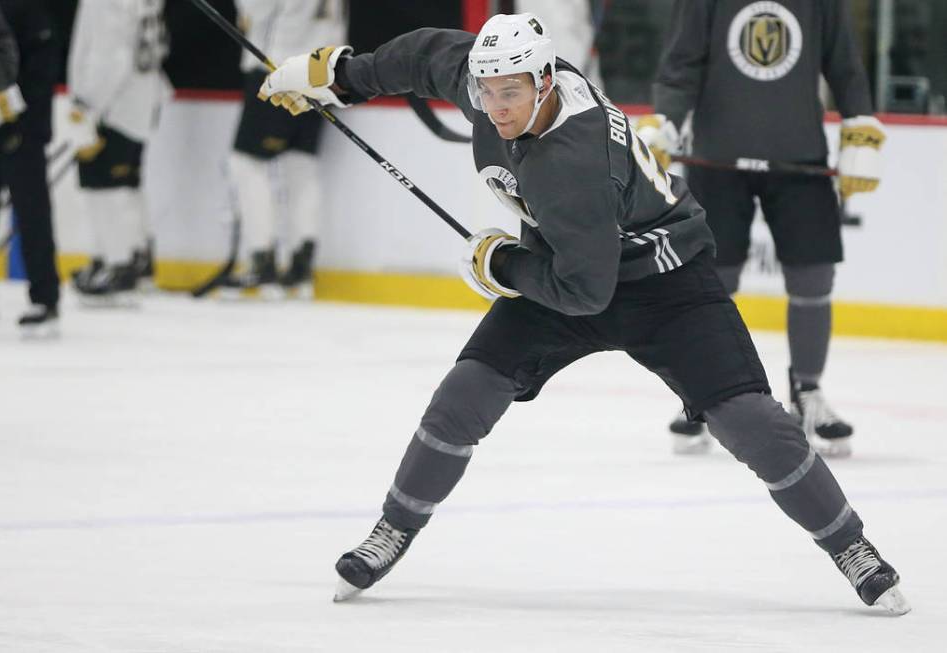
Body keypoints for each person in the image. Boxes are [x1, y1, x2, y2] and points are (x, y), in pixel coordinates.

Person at [257, 13, 909, 614]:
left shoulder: (575, 162)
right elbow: (425, 56)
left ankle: (852, 546)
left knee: (754, 424)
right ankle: (389, 532)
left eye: (511, 94)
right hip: (569, 266)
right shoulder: (491, 79)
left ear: (545, 81)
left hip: (664, 283)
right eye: (487, 92)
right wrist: (336, 74)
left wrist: (500, 266)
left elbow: (585, 293)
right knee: (463, 396)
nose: (496, 107)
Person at [636, 0, 884, 458]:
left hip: (799, 158)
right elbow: (682, 65)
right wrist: (666, 121)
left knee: (813, 274)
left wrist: (860, 126)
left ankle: (808, 393)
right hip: (718, 157)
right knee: (711, 281)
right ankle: (704, 394)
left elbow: (844, 64)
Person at [222, 0, 345, 298]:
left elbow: (257, 10)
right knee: (300, 164)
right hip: (323, 69)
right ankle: (299, 268)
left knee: (246, 163)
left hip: (280, 66)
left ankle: (260, 260)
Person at [0, 0, 62, 338]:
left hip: (18, 128)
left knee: (32, 212)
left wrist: (28, 122)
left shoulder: (29, 8)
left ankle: (44, 297)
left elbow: (41, 65)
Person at [66, 0, 168, 305]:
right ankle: (131, 258)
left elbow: (111, 56)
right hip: (140, 96)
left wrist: (88, 104)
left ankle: (119, 265)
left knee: (105, 187)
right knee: (126, 184)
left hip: (114, 104)